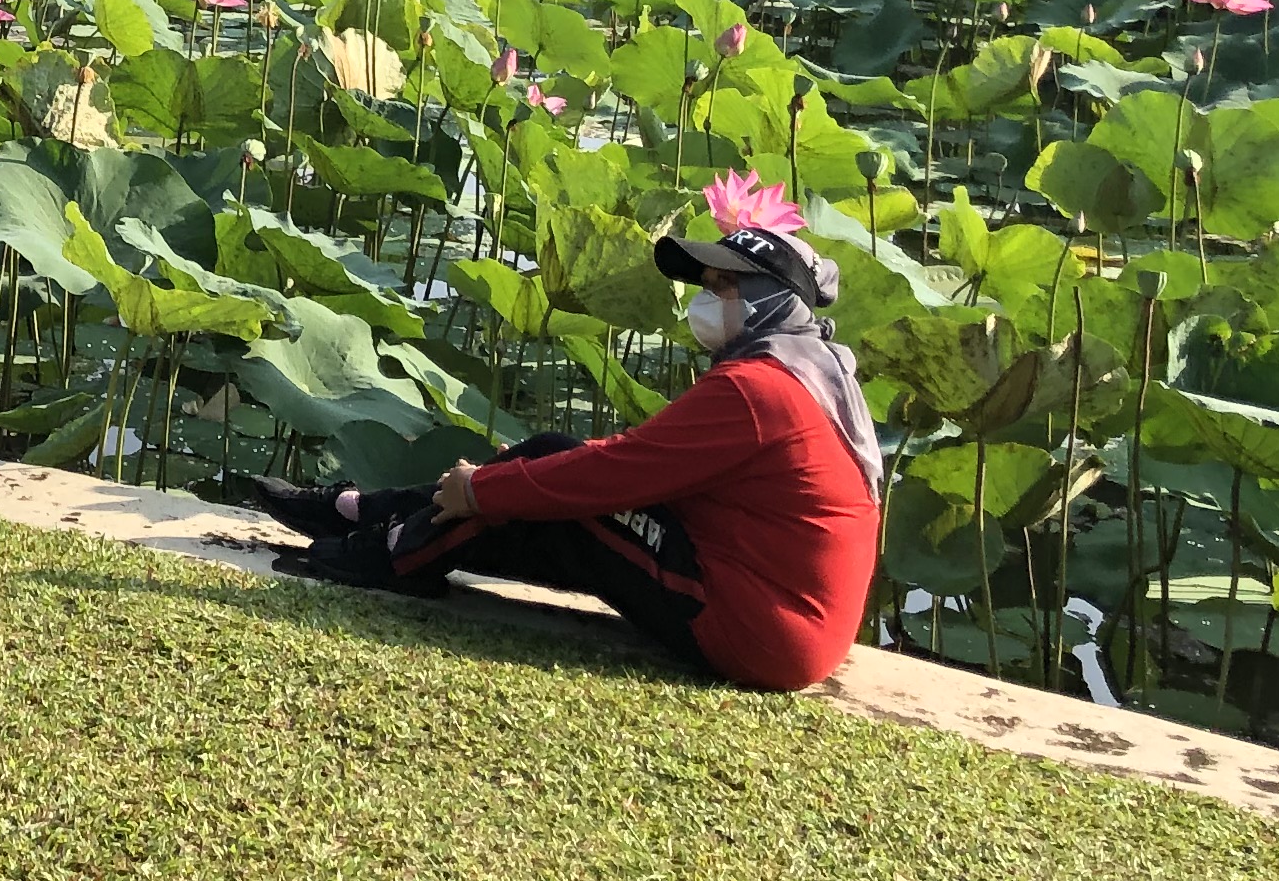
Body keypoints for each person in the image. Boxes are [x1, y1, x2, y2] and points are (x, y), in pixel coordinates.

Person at [261, 215, 884, 692]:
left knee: (551, 491)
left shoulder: (759, 389)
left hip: (761, 631)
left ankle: (383, 551)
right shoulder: (809, 372)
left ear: (770, 301)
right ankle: (367, 513)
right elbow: (640, 463)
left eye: (723, 286)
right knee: (548, 471)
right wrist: (519, 476)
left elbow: (612, 476)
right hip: (773, 609)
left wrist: (485, 488)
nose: (704, 299)